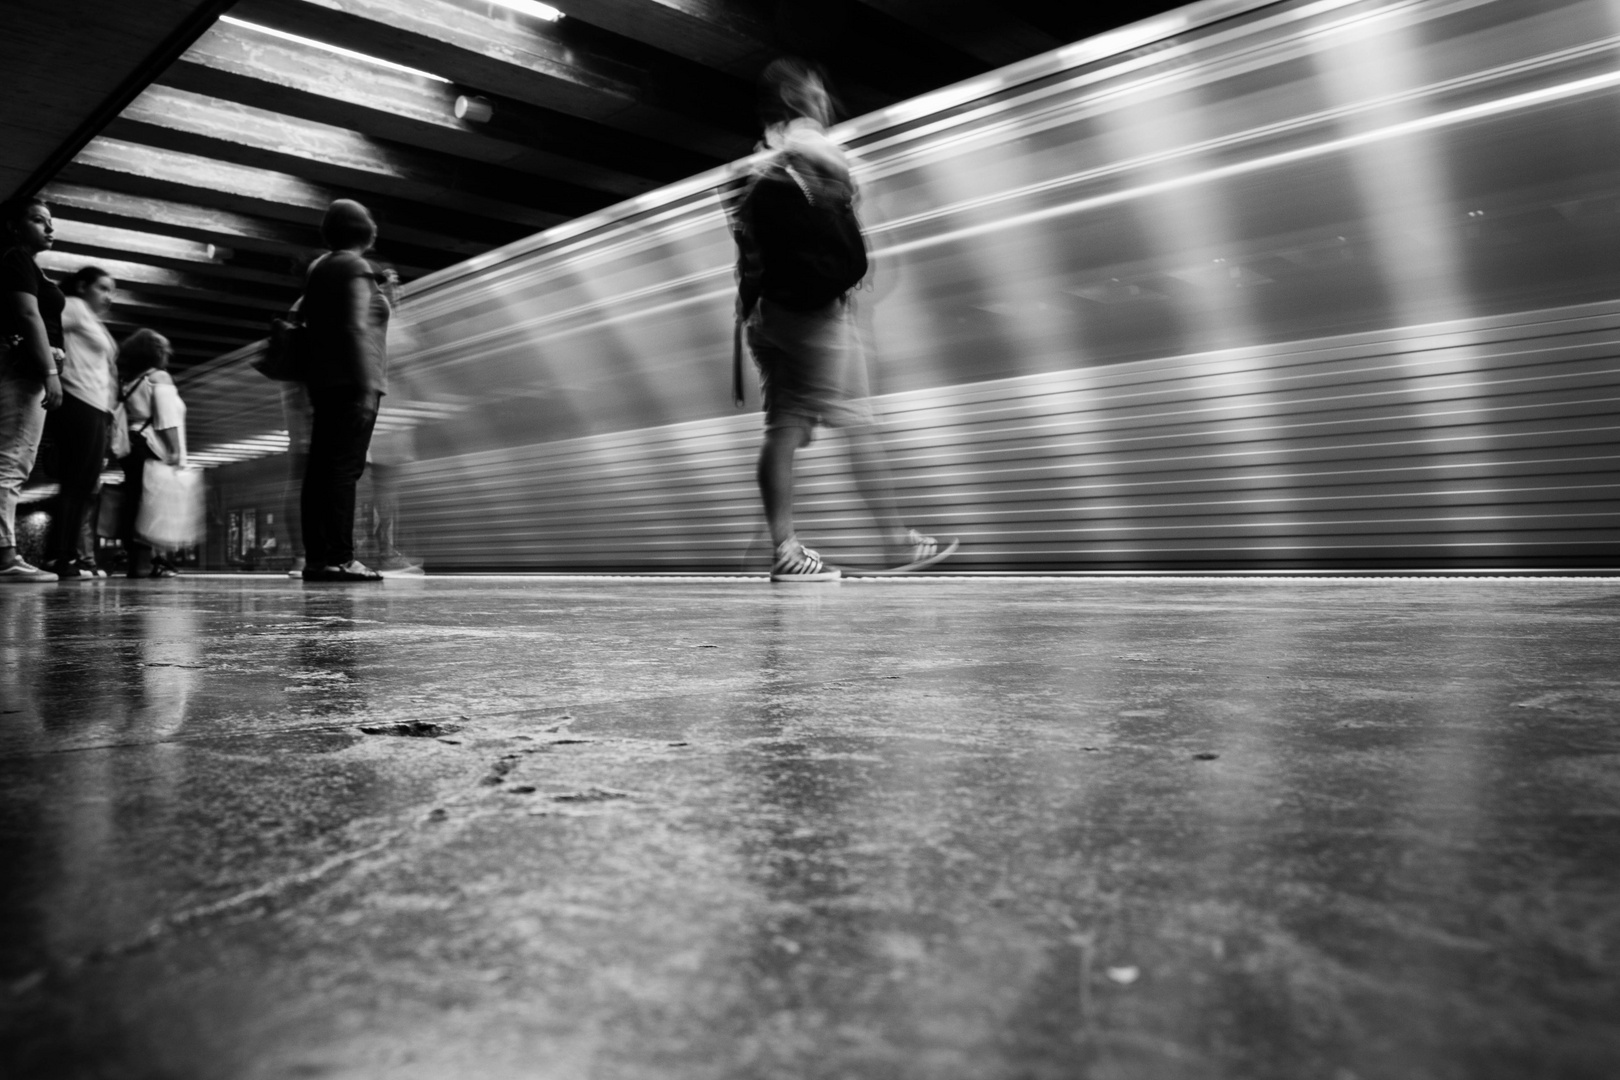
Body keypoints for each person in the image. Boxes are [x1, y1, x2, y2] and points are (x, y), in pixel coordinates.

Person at [733, 59, 954, 581]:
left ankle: (783, 546)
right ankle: (896, 542)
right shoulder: (805, 148)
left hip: (768, 315)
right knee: (857, 422)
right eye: (815, 92)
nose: (824, 99)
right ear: (796, 98)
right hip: (813, 315)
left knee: (784, 427)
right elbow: (842, 184)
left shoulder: (757, 163)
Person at [299, 199, 393, 582]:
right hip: (351, 380)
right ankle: (340, 557)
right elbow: (356, 327)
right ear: (363, 229)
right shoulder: (356, 267)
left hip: (322, 381)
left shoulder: (319, 267)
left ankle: (317, 559)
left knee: (320, 470)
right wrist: (366, 384)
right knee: (343, 471)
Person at [0, 197, 65, 583]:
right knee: (12, 458)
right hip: (18, 368)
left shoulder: (15, 261)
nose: (49, 228)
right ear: (14, 225)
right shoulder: (15, 259)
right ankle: (5, 556)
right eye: (39, 220)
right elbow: (28, 314)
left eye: (50, 222)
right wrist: (49, 372)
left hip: (13, 362)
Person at [46, 265, 120, 578]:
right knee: (75, 484)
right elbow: (44, 330)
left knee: (83, 485)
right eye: (103, 288)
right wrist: (51, 375)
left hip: (96, 408)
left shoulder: (93, 321)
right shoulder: (73, 307)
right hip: (78, 401)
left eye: (111, 290)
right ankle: (59, 557)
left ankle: (69, 556)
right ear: (82, 286)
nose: (108, 296)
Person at [116, 329, 185, 578]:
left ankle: (141, 560)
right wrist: (176, 450)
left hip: (132, 445)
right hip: (151, 445)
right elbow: (166, 417)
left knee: (136, 501)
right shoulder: (159, 377)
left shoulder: (131, 381)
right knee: (151, 505)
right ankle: (146, 562)